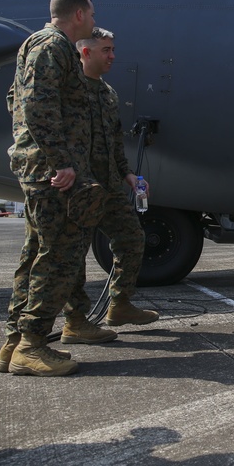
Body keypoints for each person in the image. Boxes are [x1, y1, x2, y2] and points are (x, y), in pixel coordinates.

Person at [0, 0, 98, 376]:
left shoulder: (37, 45)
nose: (92, 21)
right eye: (90, 15)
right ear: (77, 14)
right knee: (60, 255)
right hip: (52, 173)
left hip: (40, 167)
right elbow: (37, 103)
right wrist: (61, 160)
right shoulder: (53, 46)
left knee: (37, 252)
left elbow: (15, 98)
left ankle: (14, 341)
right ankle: (32, 344)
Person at [63, 26, 158, 331]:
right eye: (106, 50)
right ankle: (75, 321)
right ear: (86, 52)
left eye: (113, 49)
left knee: (132, 238)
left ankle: (120, 305)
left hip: (109, 184)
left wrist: (127, 172)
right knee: (74, 254)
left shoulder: (107, 93)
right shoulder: (67, 88)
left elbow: (115, 141)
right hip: (78, 186)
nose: (113, 56)